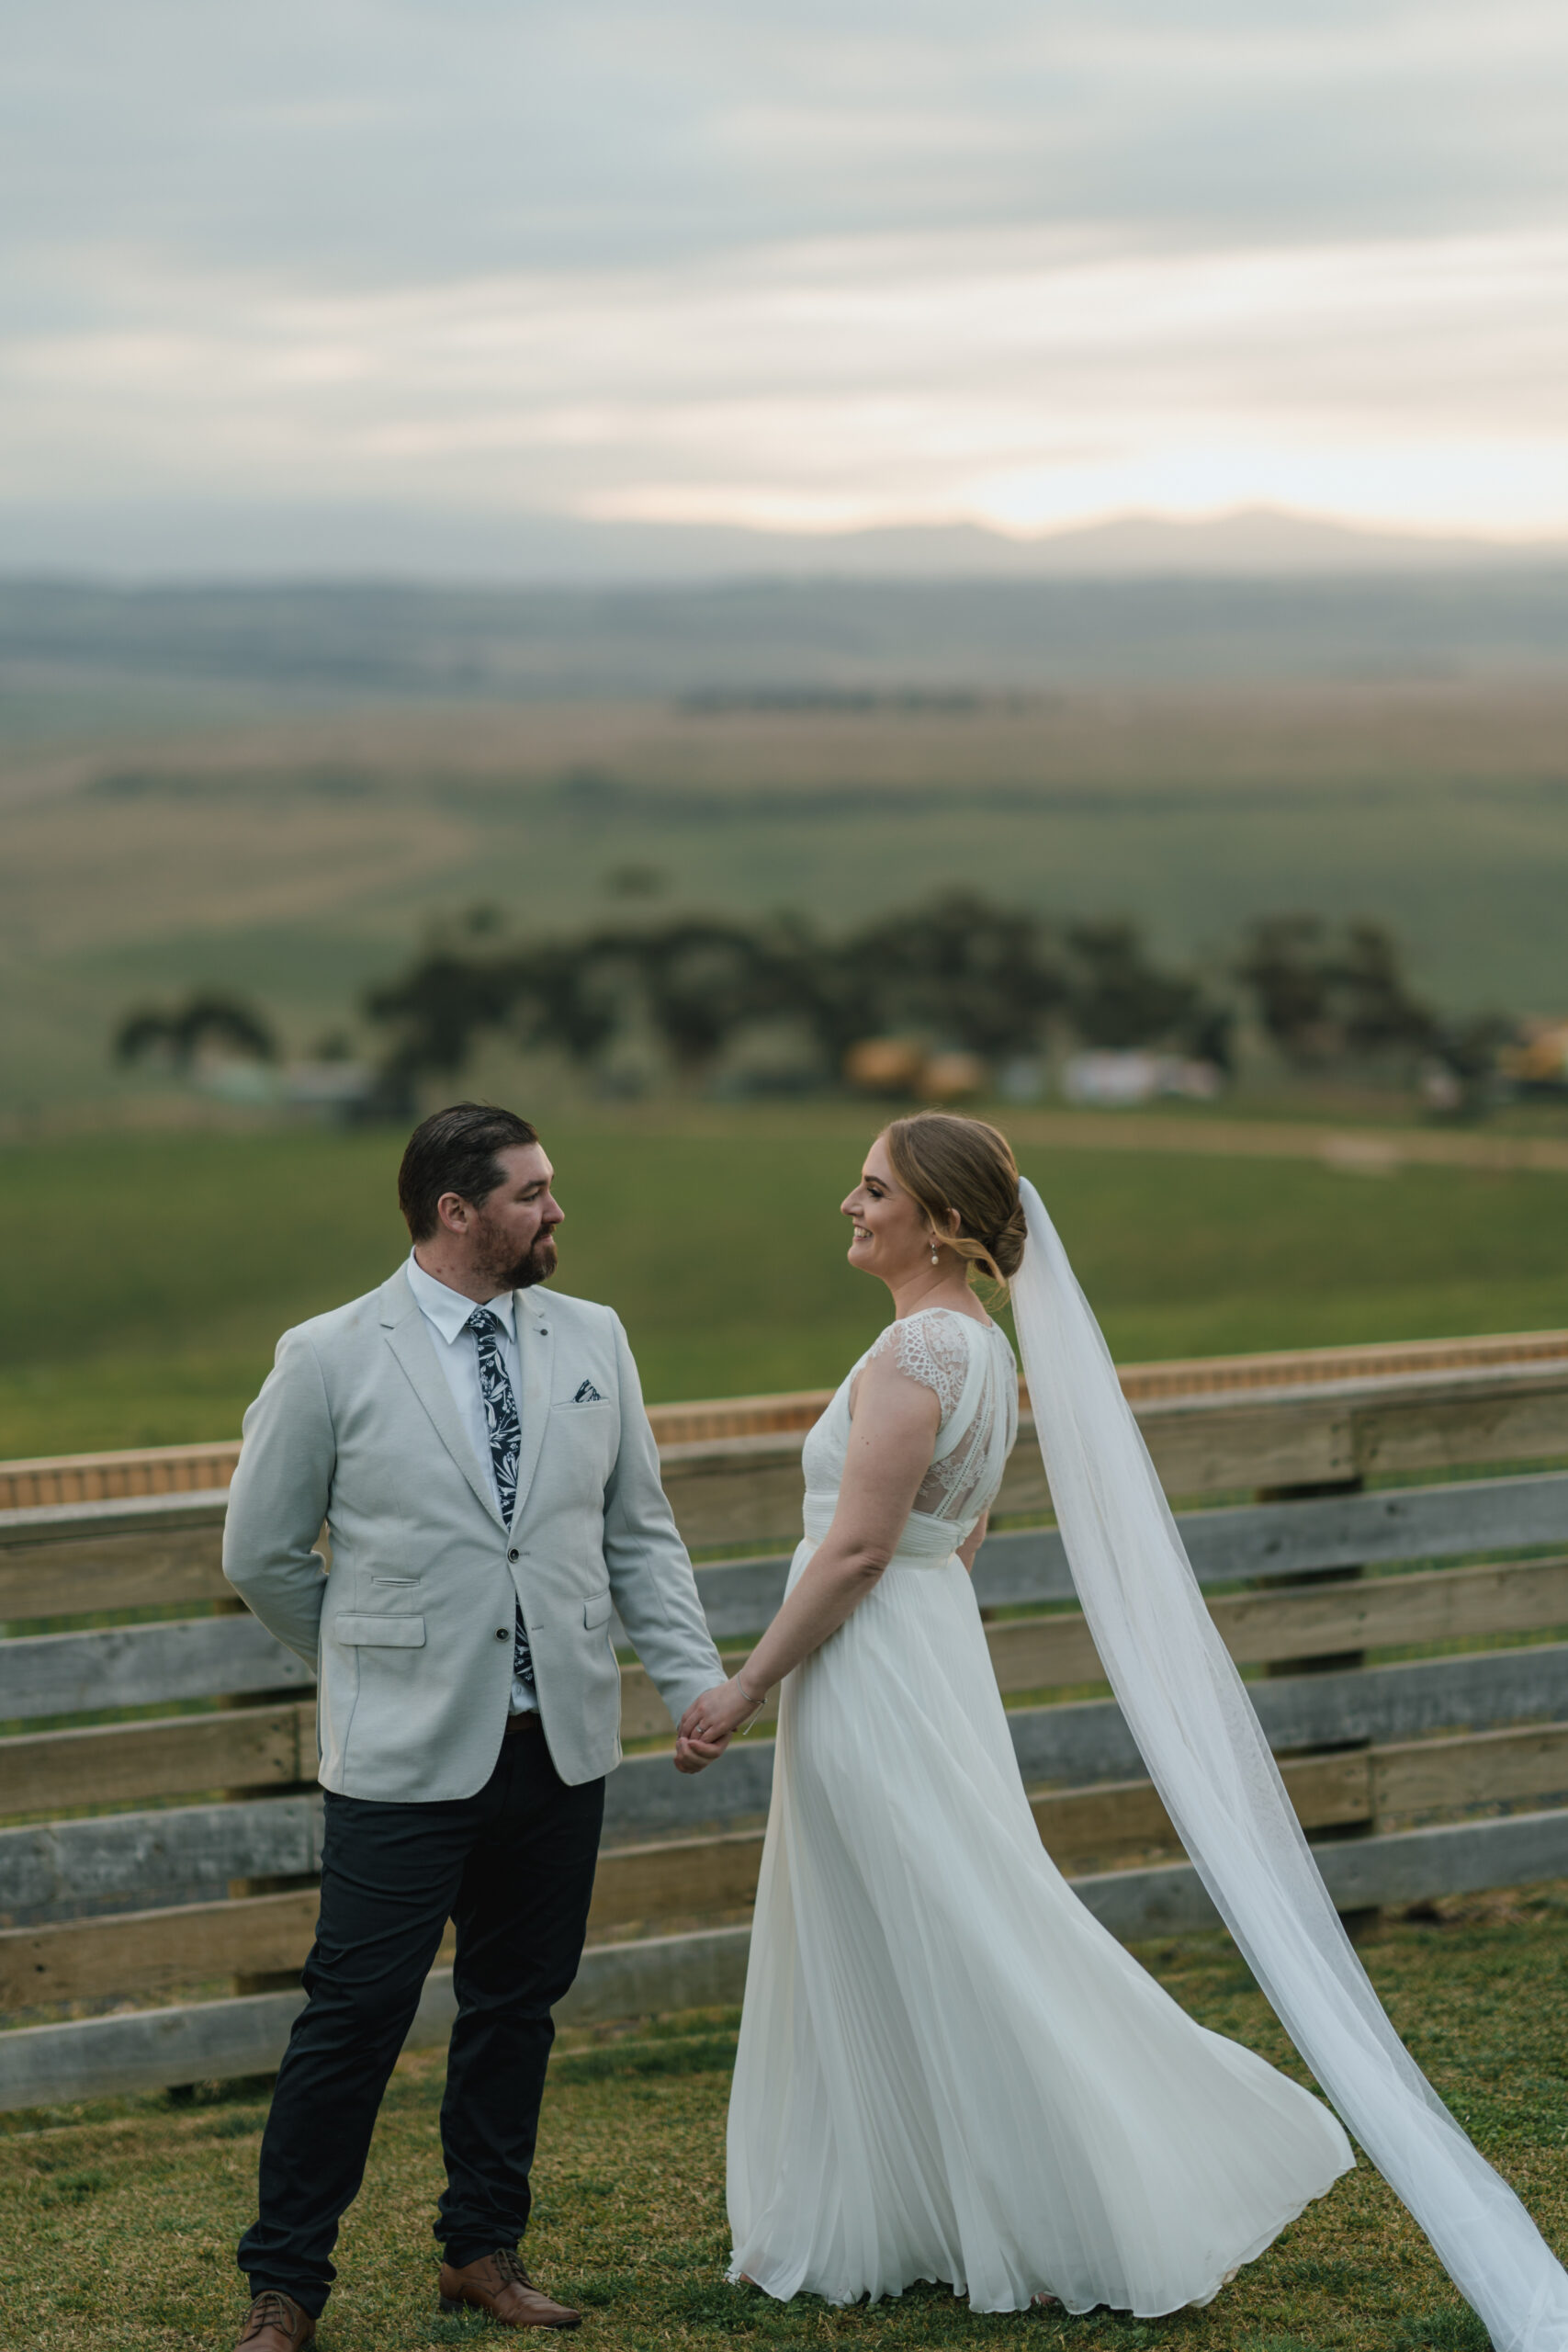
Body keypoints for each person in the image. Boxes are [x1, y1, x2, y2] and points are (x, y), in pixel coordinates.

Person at [681, 1113, 1568, 2335]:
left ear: (940, 1222)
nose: (851, 1202)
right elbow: (958, 1537)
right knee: (932, 1912)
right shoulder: (978, 1351)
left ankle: (1154, 2154)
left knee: (963, 1919)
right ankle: (940, 2204)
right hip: (927, 1645)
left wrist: (744, 1687)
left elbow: (858, 1552)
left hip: (876, 1659)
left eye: (874, 1187)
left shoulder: (915, 1357)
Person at [221, 1103, 733, 2352]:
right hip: (401, 1757)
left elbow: (638, 1533)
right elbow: (262, 1552)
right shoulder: (332, 1353)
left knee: (517, 2008)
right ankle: (285, 2287)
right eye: (532, 1193)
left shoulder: (594, 1336)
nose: (558, 1210)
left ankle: (482, 2253)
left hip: (558, 1744)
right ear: (457, 1211)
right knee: (354, 2018)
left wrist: (692, 1679)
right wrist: (365, 1657)